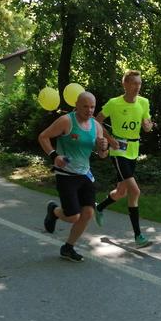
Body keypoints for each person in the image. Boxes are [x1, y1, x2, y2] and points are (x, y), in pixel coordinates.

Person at [38, 91, 109, 262]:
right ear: (76, 105)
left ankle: (68, 248)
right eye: (85, 106)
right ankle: (54, 211)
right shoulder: (66, 121)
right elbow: (43, 137)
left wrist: (103, 147)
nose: (89, 110)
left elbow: (102, 155)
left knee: (88, 213)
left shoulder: (96, 126)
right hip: (66, 174)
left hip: (84, 174)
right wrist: (54, 156)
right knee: (73, 216)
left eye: (92, 107)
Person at [94, 70, 154, 247]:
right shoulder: (114, 103)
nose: (137, 87)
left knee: (121, 192)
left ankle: (99, 207)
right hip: (119, 150)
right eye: (134, 83)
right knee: (134, 191)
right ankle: (138, 236)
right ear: (125, 85)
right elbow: (97, 120)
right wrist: (110, 140)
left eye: (139, 84)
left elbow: (148, 126)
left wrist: (148, 125)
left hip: (133, 150)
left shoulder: (144, 102)